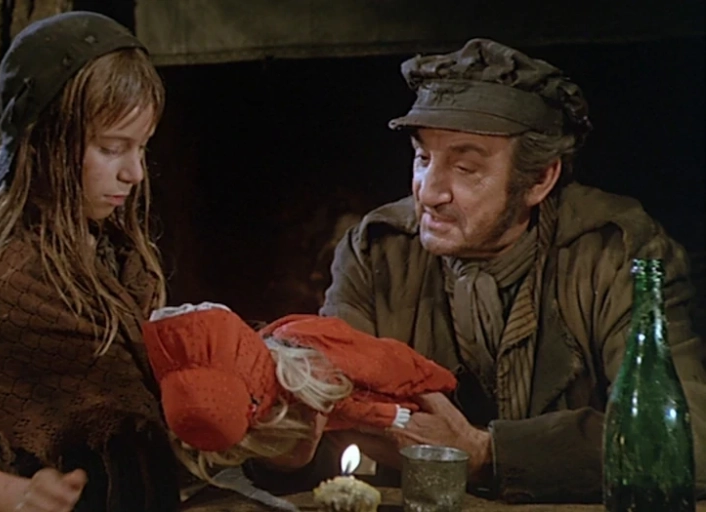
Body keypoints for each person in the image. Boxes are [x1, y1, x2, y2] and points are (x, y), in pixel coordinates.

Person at [254, 38, 706, 503]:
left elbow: (687, 435)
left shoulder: (618, 251)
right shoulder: (377, 252)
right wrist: (282, 431)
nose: (429, 192)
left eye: (465, 167)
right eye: (423, 158)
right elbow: (330, 423)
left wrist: (487, 453)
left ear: (539, 179)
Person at [0, 12, 181, 512]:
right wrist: (18, 493)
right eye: (112, 148)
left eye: (141, 148)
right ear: (48, 144)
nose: (135, 172)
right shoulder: (9, 278)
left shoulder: (123, 260)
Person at [140, 301, 457, 480]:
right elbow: (347, 401)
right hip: (409, 418)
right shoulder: (300, 371)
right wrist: (390, 415)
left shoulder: (290, 366)